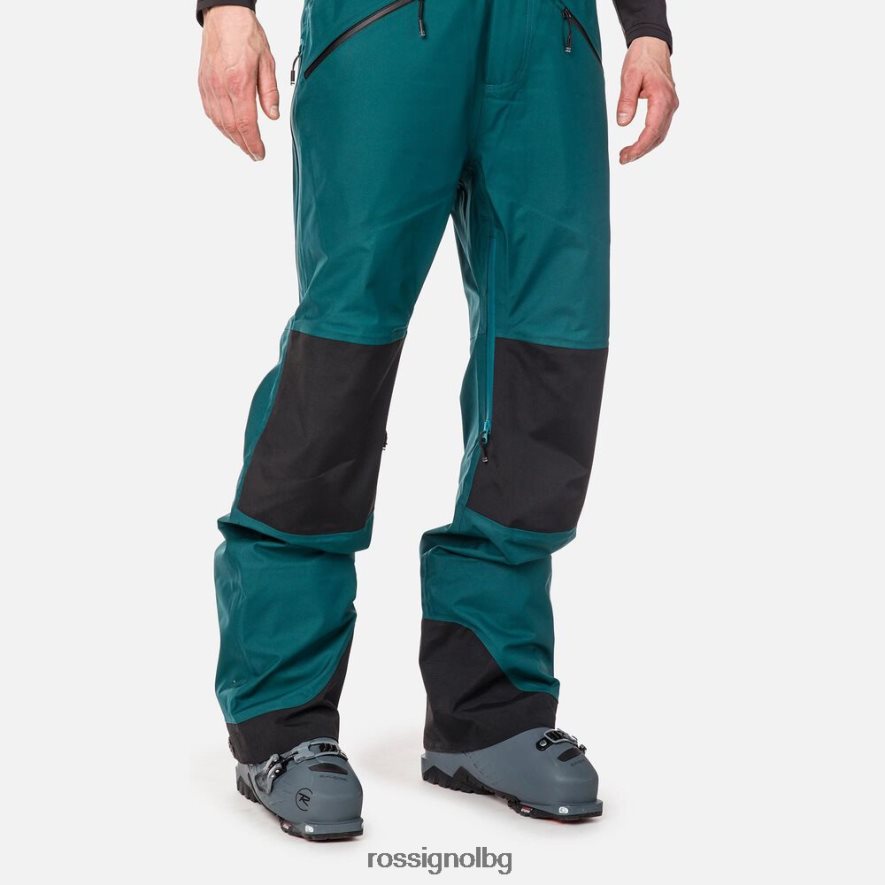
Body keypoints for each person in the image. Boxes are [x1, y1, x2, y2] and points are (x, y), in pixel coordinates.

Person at [197, 0, 678, 840]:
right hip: (385, 26)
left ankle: (490, 711)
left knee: (548, 362)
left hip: (551, 36)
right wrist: (225, 11)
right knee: (340, 365)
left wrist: (647, 29)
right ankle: (280, 717)